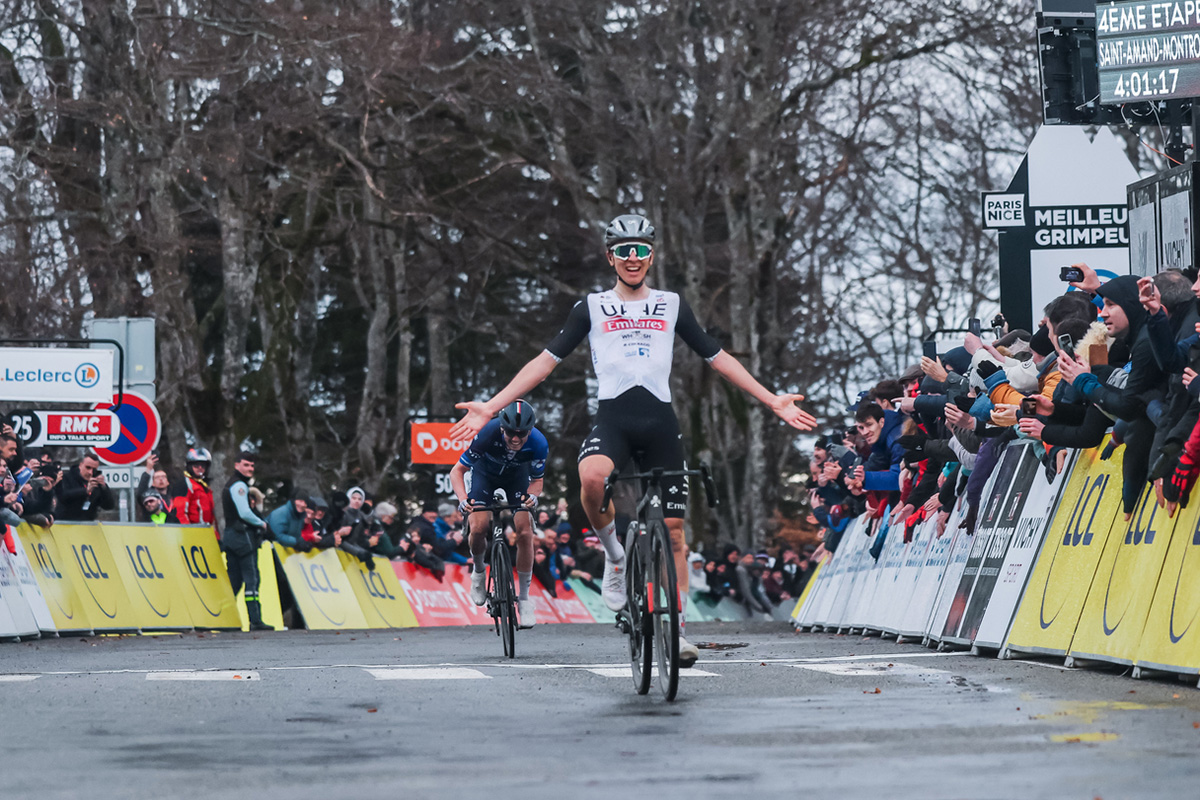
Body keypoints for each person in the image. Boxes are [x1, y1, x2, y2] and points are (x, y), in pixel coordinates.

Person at [450, 213, 816, 667]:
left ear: (652, 254)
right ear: (610, 257)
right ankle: (616, 558)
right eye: (623, 250)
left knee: (677, 535)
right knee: (591, 477)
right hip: (614, 420)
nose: (632, 258)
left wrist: (771, 401)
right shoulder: (592, 306)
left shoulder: (672, 304)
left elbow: (717, 357)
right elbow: (544, 362)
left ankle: (678, 631)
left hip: (660, 422)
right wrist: (491, 404)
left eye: (641, 249)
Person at [450, 399, 547, 628]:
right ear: (502, 427)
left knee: (524, 532)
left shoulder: (539, 443)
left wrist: (533, 496)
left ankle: (524, 599)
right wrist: (463, 499)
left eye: (521, 434)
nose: (515, 439)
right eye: (510, 433)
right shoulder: (487, 433)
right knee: (479, 527)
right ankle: (479, 571)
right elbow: (458, 471)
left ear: (530, 430)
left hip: (517, 478)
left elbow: (537, 480)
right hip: (484, 474)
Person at [220, 452, 272, 631]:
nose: (250, 469)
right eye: (246, 465)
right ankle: (255, 620)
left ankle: (225, 620)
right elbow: (244, 512)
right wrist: (262, 523)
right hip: (242, 537)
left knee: (234, 581)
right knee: (252, 579)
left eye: (251, 466)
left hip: (230, 536)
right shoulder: (239, 485)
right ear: (236, 465)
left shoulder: (230, 484)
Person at [55, 453, 115, 521]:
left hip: (87, 525)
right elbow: (63, 496)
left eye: (94, 469)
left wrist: (104, 487)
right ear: (80, 465)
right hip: (66, 522)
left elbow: (108, 506)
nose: (90, 472)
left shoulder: (96, 483)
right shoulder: (66, 477)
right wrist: (85, 491)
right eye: (88, 467)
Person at [174, 447, 216, 533]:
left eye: (203, 466)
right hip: (193, 533)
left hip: (206, 532)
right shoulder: (185, 484)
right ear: (189, 466)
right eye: (196, 465)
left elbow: (210, 515)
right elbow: (180, 513)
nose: (200, 468)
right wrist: (189, 533)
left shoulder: (204, 486)